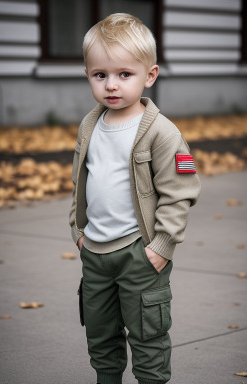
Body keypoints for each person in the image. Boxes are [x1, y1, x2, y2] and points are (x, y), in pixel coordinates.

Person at [69, 13, 201, 384]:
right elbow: (80, 179)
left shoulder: (162, 132)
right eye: (100, 75)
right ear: (88, 75)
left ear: (150, 75)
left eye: (124, 74)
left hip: (139, 253)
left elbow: (181, 191)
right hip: (95, 252)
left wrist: (161, 245)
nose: (111, 85)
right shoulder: (89, 125)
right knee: (100, 334)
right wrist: (77, 229)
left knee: (148, 336)